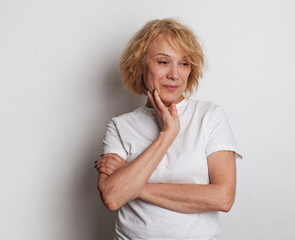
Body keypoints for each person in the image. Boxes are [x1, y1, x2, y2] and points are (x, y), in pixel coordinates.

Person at [94, 18, 242, 240]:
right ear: (140, 66)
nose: (175, 74)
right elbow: (113, 197)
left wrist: (134, 187)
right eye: (163, 62)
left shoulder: (209, 116)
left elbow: (223, 198)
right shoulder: (120, 126)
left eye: (184, 63)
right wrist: (167, 135)